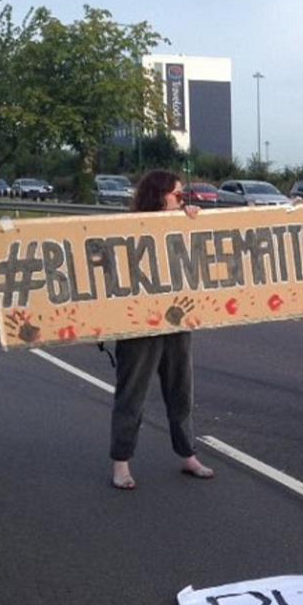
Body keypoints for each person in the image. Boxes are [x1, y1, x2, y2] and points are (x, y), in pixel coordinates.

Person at [109, 170, 215, 489]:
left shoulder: (182, 223)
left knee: (181, 390)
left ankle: (187, 454)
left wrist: (192, 222)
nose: (182, 200)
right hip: (138, 324)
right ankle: (121, 463)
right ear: (159, 196)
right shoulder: (129, 228)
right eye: (177, 195)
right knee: (132, 395)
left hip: (176, 320)